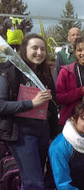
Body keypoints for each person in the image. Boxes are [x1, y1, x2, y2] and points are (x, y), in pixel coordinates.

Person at [0, 34, 58, 189]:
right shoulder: (10, 72)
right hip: (21, 134)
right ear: (24, 50)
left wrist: (54, 133)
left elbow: (53, 104)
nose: (39, 52)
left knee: (33, 180)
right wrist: (31, 103)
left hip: (43, 132)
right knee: (35, 182)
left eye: (43, 49)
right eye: (35, 48)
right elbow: (1, 105)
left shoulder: (45, 73)